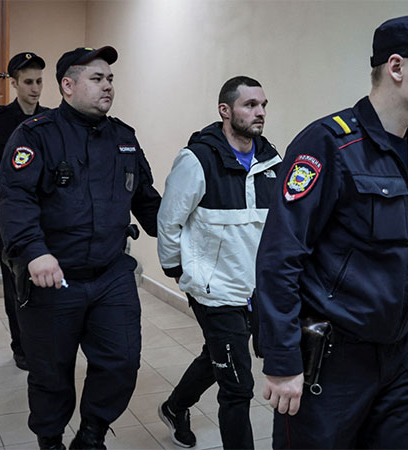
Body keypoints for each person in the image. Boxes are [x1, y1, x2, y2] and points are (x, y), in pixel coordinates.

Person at [255, 15, 408, 449]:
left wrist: (407, 349)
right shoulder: (329, 144)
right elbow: (280, 255)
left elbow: (404, 258)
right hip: (332, 362)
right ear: (396, 67)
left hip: (396, 361)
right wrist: (283, 359)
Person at [0, 46, 161, 450]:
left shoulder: (124, 138)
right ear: (68, 86)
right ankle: (51, 439)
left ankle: (91, 436)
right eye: (97, 78)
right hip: (54, 279)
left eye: (110, 79)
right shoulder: (36, 135)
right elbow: (16, 198)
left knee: (122, 362)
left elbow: (146, 200)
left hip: (111, 274)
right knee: (51, 373)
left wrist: (182, 234)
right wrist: (34, 251)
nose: (108, 86)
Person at [157, 76, 281, 449]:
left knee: (218, 355)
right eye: (250, 105)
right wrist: (178, 270)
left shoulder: (272, 161)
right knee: (238, 387)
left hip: (253, 289)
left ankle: (175, 407)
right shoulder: (197, 159)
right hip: (213, 291)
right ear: (225, 110)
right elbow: (169, 220)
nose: (260, 112)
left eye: (263, 105)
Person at [0, 52, 47, 371]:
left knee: (47, 278)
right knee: (17, 281)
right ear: (14, 84)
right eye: (28, 82)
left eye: (39, 81)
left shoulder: (52, 120)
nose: (35, 88)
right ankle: (22, 347)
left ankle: (46, 342)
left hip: (46, 215)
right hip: (11, 214)